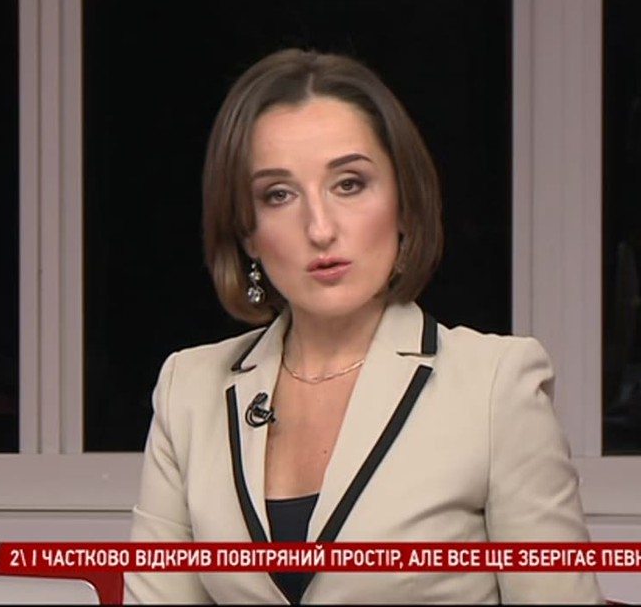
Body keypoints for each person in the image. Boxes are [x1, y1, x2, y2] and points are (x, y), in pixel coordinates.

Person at [125, 48, 604, 604]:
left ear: (403, 202)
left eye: (349, 184)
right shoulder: (188, 389)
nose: (320, 228)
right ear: (247, 232)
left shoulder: (496, 386)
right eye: (279, 195)